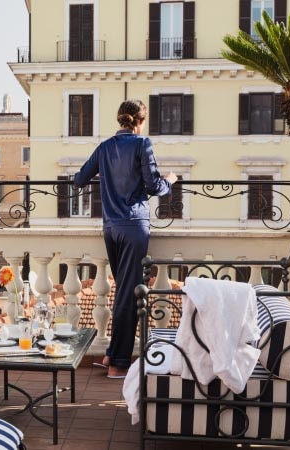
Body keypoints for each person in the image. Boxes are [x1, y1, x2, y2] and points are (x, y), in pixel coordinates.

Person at [73, 99, 177, 379]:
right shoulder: (142, 145)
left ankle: (110, 356)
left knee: (123, 290)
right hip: (134, 226)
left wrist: (108, 179)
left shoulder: (105, 146)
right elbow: (155, 186)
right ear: (141, 121)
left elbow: (79, 179)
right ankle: (119, 363)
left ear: (120, 120)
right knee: (130, 295)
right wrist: (171, 180)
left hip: (111, 228)